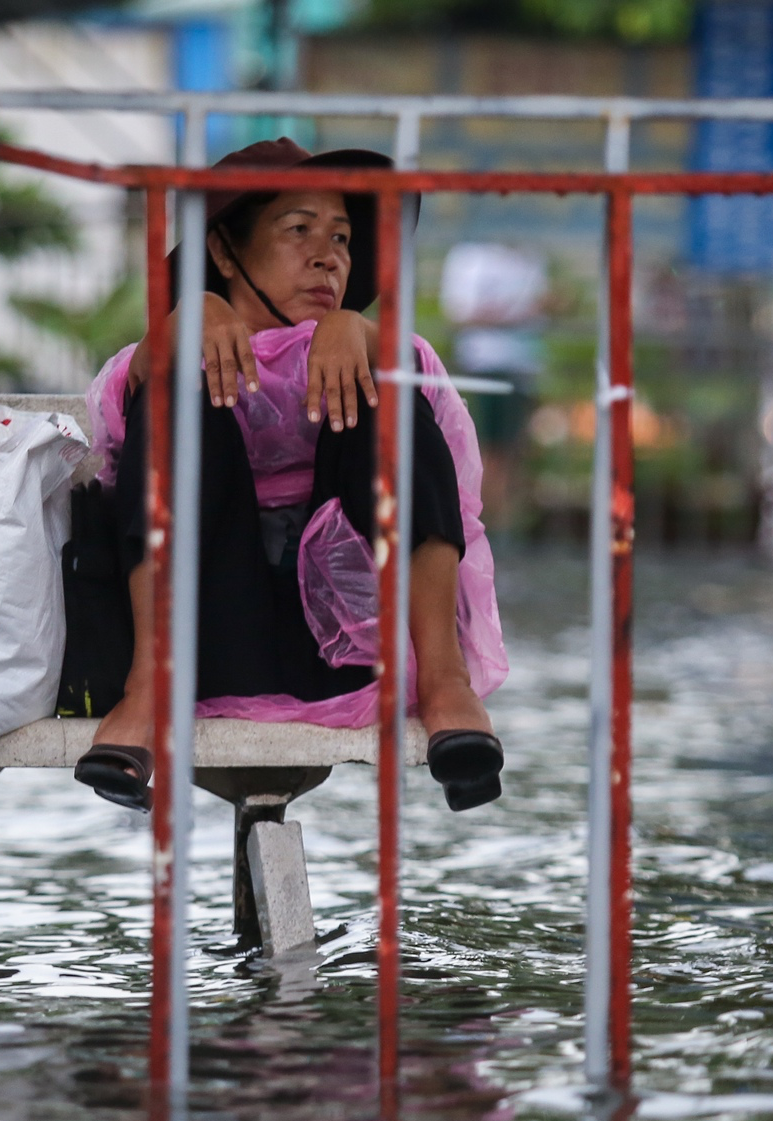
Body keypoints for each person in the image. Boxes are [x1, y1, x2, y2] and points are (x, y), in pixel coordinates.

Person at [60, 138, 508, 814]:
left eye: (341, 236)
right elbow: (123, 417)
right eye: (298, 229)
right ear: (223, 252)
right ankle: (149, 687)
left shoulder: (381, 348)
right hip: (209, 649)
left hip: (354, 647)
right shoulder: (167, 346)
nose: (328, 255)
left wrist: (359, 333)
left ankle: (446, 680)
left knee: (386, 390)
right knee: (180, 391)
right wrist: (188, 319)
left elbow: (449, 477)